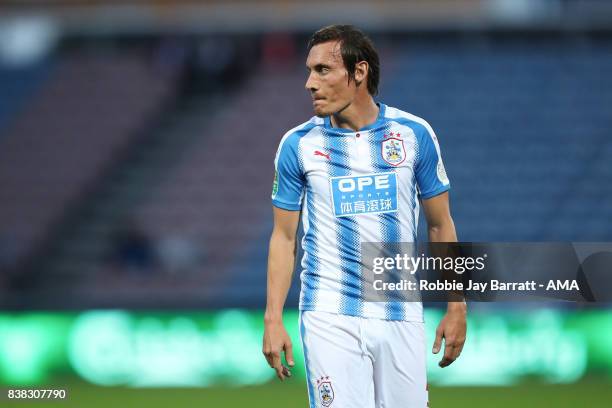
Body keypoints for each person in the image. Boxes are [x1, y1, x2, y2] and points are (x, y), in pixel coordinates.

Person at [263, 25, 466, 408]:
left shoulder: (413, 134)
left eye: (323, 70)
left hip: (399, 309)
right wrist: (272, 318)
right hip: (329, 314)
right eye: (309, 70)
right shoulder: (298, 145)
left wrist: (456, 307)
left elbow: (440, 224)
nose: (309, 83)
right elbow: (283, 238)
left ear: (359, 73)